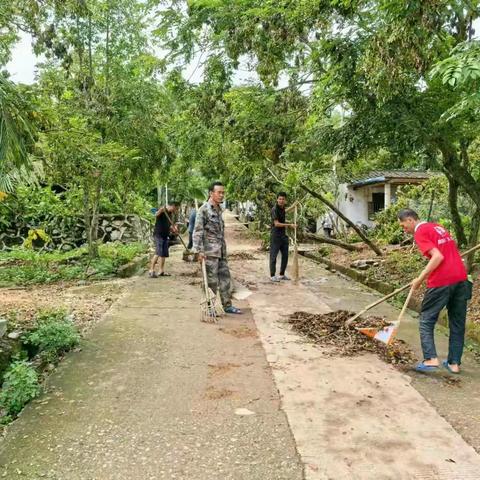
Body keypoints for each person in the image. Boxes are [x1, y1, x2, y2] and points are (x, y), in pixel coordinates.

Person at [397, 209, 472, 374]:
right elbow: (449, 250)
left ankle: (430, 359)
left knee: (426, 320)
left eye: (403, 225)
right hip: (460, 278)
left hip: (441, 281)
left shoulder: (420, 232)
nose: (404, 230)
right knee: (457, 324)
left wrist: (419, 279)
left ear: (410, 220)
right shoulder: (437, 227)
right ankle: (454, 363)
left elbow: (438, 256)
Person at [192, 182, 242, 315]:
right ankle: (210, 307)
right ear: (211, 193)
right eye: (219, 192)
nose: (221, 195)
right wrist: (199, 251)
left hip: (221, 251)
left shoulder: (219, 209)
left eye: (223, 192)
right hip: (209, 253)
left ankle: (227, 305)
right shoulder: (203, 210)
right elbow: (197, 232)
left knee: (225, 279)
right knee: (211, 282)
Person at [270, 192, 297, 282]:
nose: (281, 201)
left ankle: (282, 274)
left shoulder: (282, 208)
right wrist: (289, 225)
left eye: (283, 199)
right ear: (277, 199)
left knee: (285, 255)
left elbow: (285, 211)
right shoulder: (274, 209)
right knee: (273, 255)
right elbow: (276, 224)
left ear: (285, 200)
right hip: (276, 236)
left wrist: (293, 206)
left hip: (283, 235)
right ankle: (272, 275)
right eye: (280, 199)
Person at [149, 202, 179, 278]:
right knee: (158, 252)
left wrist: (174, 230)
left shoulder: (170, 214)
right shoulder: (163, 210)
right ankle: (151, 270)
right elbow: (155, 214)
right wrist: (160, 210)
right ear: (173, 206)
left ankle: (161, 271)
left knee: (163, 254)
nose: (176, 210)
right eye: (176, 208)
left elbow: (169, 226)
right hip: (158, 235)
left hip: (165, 236)